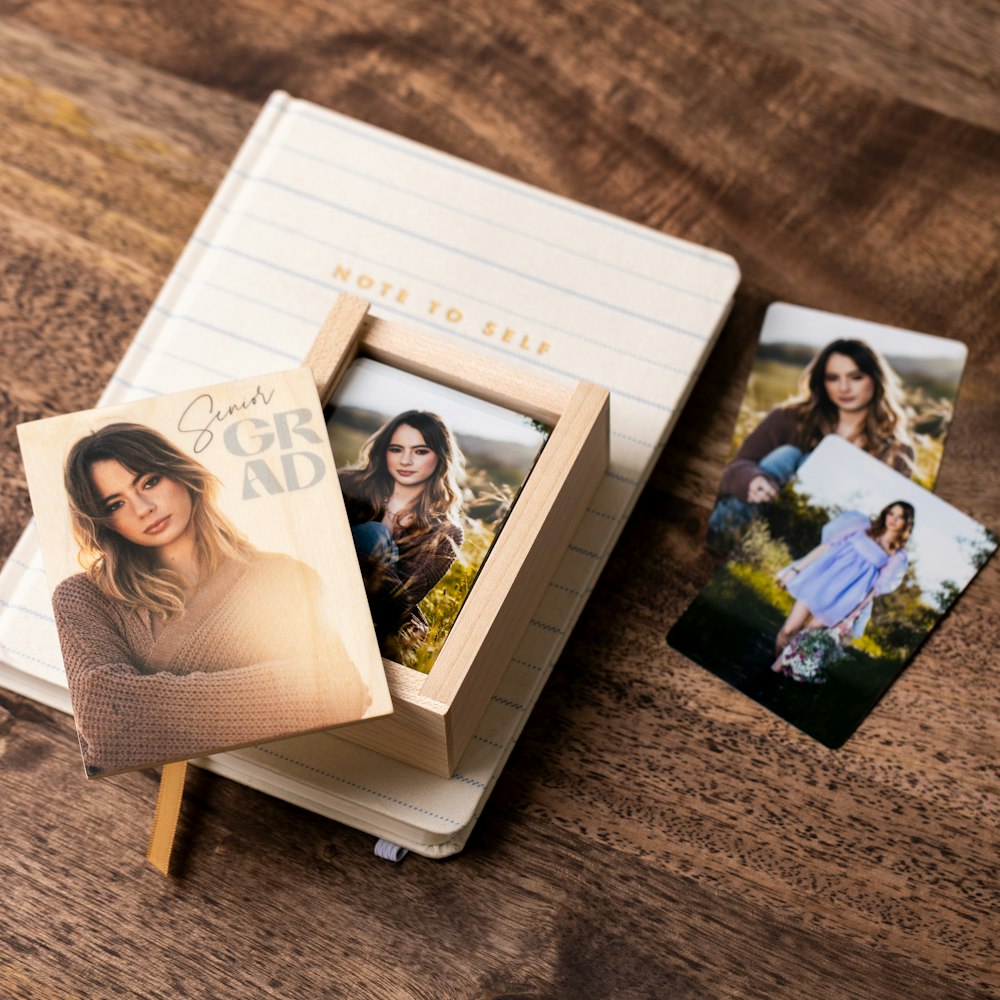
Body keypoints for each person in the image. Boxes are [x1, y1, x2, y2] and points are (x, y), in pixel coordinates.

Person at [53, 422, 369, 776]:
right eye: (116, 503)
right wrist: (284, 694)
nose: (143, 508)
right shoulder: (83, 597)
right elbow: (104, 721)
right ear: (105, 522)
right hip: (136, 792)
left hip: (279, 779)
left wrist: (140, 709)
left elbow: (340, 692)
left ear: (182, 474)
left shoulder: (285, 577)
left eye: (149, 482)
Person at [707, 339, 914, 551]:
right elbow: (735, 467)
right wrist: (751, 481)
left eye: (856, 377)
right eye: (833, 378)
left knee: (810, 461)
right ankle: (722, 537)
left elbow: (884, 515)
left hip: (821, 532)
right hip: (758, 510)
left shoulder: (897, 450)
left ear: (875, 379)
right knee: (787, 455)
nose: (844, 387)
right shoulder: (788, 417)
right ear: (822, 382)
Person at [338, 410, 465, 659]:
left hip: (374, 618)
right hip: (310, 583)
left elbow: (402, 599)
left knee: (373, 535)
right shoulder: (346, 484)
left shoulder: (445, 532)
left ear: (440, 457)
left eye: (420, 451)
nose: (406, 460)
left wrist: (343, 552)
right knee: (373, 534)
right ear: (383, 451)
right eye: (396, 449)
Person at [771, 501, 915, 674]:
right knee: (787, 631)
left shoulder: (897, 556)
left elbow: (874, 590)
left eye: (899, 517)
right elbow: (826, 546)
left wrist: (852, 615)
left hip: (844, 598)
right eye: (891, 513)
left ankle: (772, 674)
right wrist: (795, 569)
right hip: (820, 582)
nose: (893, 519)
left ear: (907, 523)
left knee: (802, 641)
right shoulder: (862, 526)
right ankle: (776, 666)